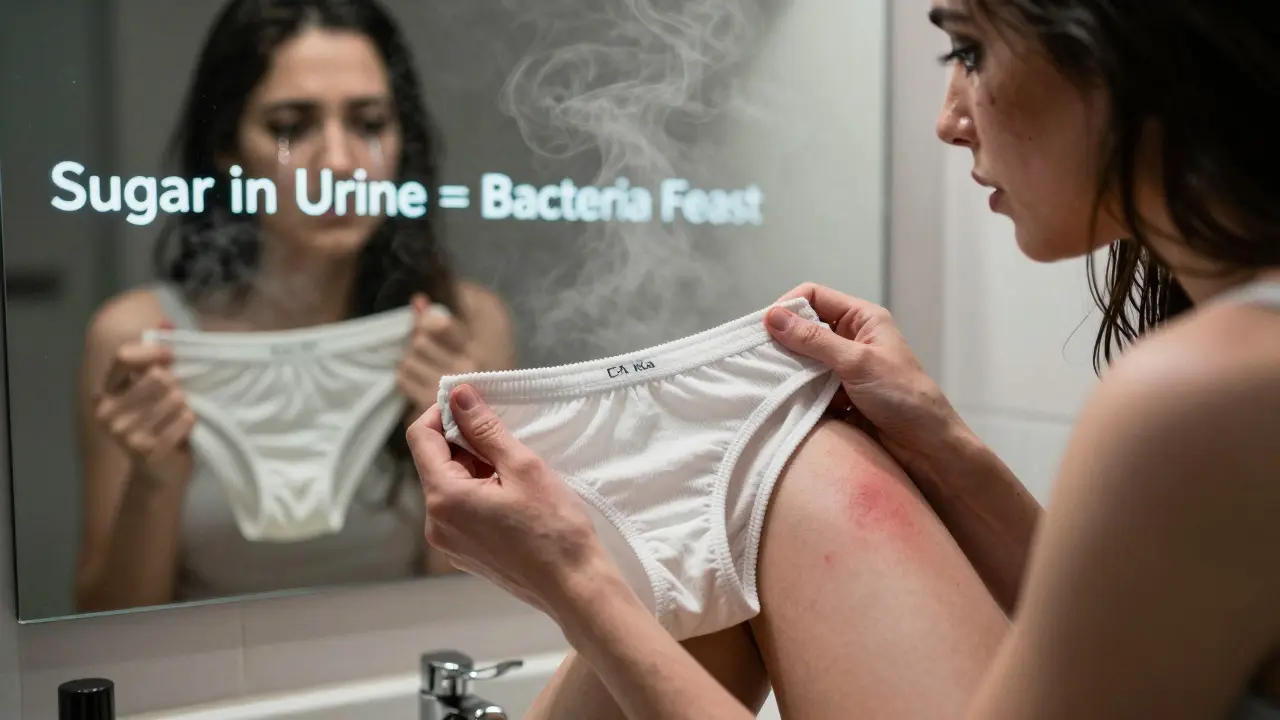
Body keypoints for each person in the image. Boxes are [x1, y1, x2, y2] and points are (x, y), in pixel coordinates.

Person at [407, 0, 1280, 717]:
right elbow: (1130, 623)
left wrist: (578, 586)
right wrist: (945, 446)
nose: (947, 120)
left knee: (796, 470)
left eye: (969, 50)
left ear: (1123, 41)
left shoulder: (1205, 393)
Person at [75, 0, 515, 613]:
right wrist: (153, 482)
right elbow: (102, 625)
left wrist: (449, 455)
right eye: (290, 127)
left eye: (369, 123)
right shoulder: (139, 339)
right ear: (229, 150)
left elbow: (469, 609)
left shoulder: (462, 327)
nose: (338, 163)